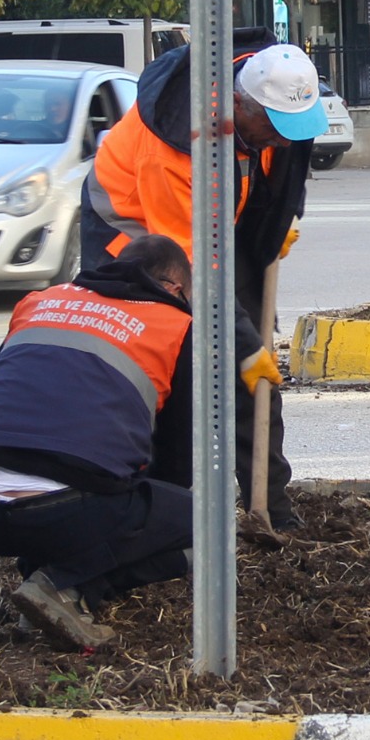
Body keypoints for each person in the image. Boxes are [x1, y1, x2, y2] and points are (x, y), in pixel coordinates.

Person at [80, 28, 326, 523]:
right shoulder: (174, 148)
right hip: (135, 239)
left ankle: (272, 508)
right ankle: (159, 510)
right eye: (274, 126)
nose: (282, 136)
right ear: (241, 105)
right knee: (175, 367)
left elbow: (284, 167)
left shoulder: (270, 111)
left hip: (210, 232)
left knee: (255, 378)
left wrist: (273, 224)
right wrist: (243, 346)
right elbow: (192, 267)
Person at [0, 234, 198, 651]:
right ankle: (64, 587)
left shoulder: (39, 302)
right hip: (65, 510)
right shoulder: (175, 325)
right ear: (174, 288)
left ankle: (43, 589)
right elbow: (177, 459)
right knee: (205, 524)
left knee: (70, 483)